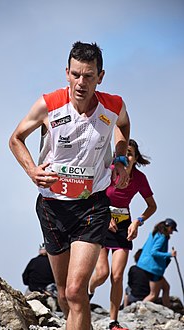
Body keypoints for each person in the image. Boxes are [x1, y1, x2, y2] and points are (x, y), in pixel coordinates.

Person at [9, 41, 130, 330]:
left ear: (100, 77)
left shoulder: (113, 106)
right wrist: (32, 171)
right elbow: (15, 139)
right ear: (67, 73)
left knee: (77, 291)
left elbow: (123, 127)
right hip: (52, 207)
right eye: (76, 74)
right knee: (65, 295)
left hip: (92, 206)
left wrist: (121, 158)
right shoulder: (48, 105)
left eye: (88, 76)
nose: (81, 82)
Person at [88, 138, 157, 330]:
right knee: (102, 273)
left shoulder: (140, 178)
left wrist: (138, 221)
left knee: (117, 277)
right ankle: (89, 290)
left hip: (123, 227)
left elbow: (152, 206)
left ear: (135, 159)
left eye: (130, 153)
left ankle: (113, 322)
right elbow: (91, 194)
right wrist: (104, 213)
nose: (126, 156)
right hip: (101, 222)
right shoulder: (109, 170)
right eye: (123, 152)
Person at [137, 218, 178, 307]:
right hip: (153, 268)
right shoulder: (162, 237)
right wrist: (169, 254)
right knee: (153, 295)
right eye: (172, 230)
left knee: (166, 287)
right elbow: (154, 252)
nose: (172, 232)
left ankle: (168, 309)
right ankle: (139, 309)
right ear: (169, 227)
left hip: (145, 265)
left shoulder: (154, 234)